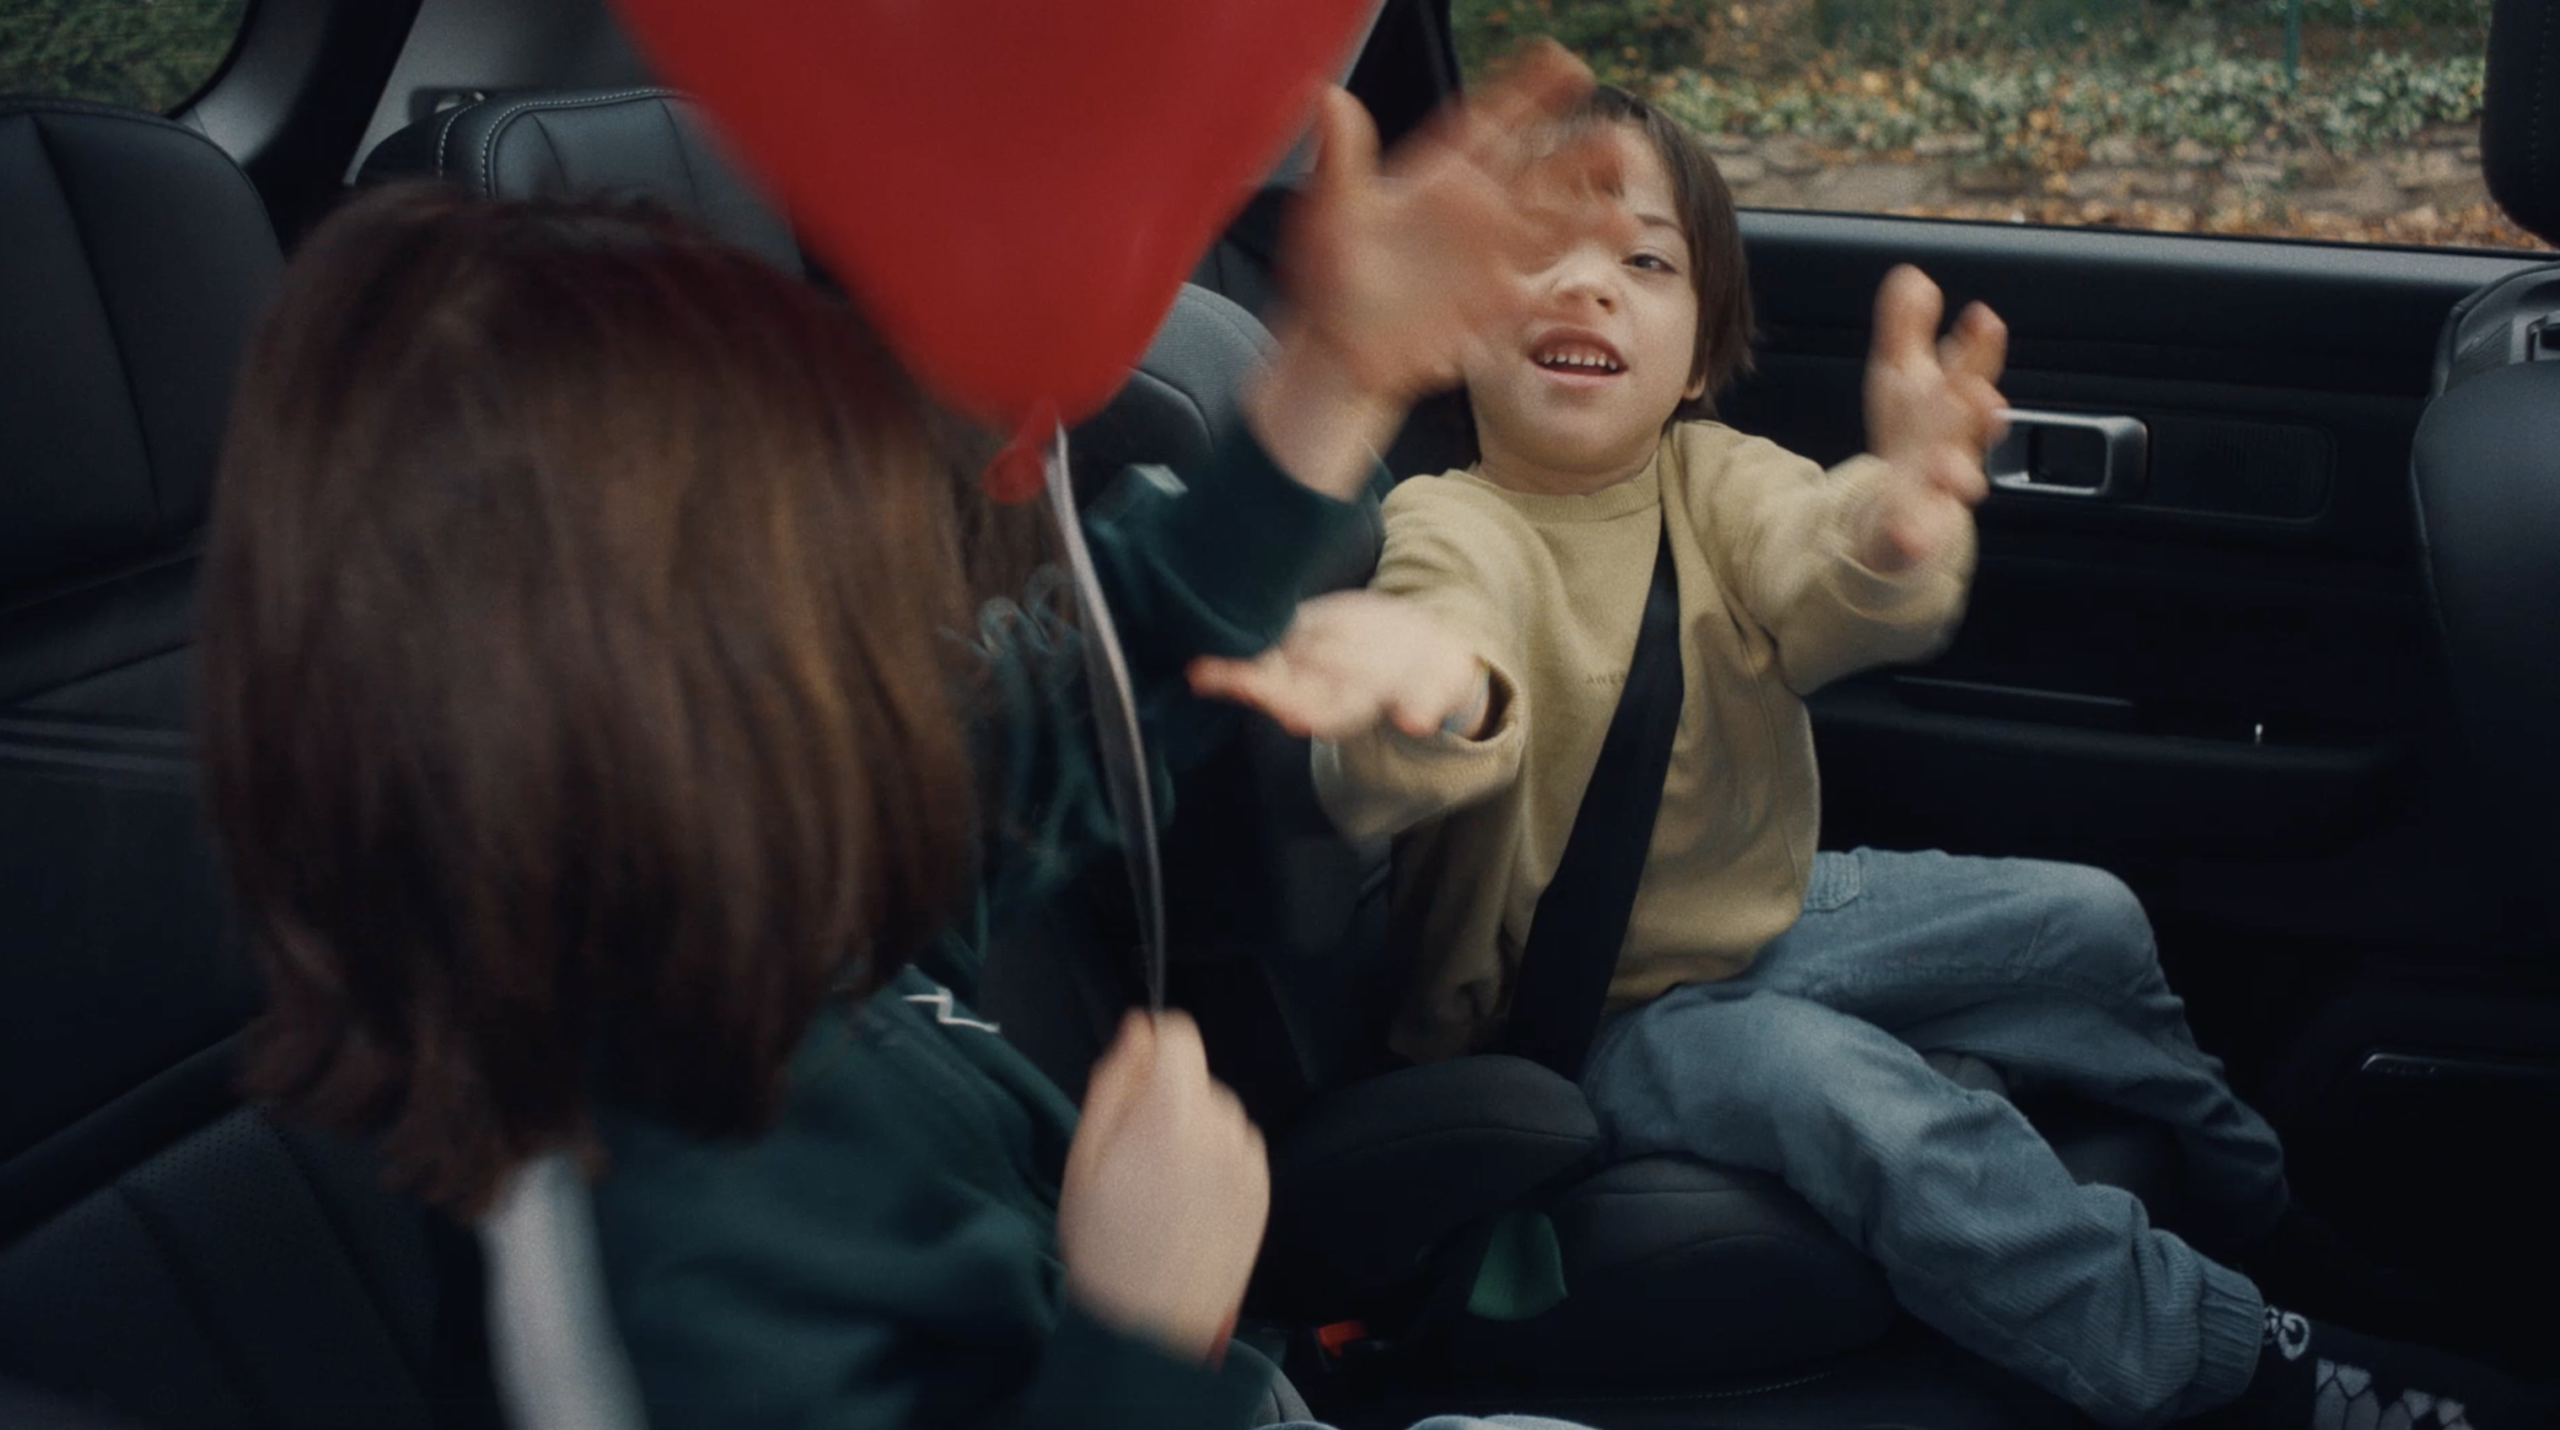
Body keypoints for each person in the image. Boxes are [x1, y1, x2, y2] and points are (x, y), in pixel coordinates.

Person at [197, 46, 1629, 1430]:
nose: (914, 649)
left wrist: (1343, 371)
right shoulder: (651, 1287)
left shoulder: (777, 898)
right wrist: (1142, 1331)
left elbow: (1113, 676)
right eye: (848, 605)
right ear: (648, 711)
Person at [1195, 85, 2547, 1430]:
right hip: (1587, 1018)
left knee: (2088, 918)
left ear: (1701, 352)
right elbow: (1446, 638)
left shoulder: (1716, 478)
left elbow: (1818, 555)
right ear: (1458, 321)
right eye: (1536, 250)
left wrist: (1894, 526)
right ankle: (2226, 1356)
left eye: (1645, 263)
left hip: (1760, 914)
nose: (1588, 285)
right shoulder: (1454, 522)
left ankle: (2262, 1214)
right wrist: (1428, 696)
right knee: (1861, 1101)